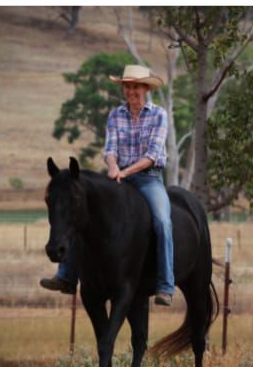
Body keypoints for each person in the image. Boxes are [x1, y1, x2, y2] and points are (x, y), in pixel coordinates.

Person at [41, 63, 174, 305]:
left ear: (145, 88)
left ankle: (165, 285)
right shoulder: (115, 115)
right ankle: (66, 276)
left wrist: (126, 171)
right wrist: (113, 168)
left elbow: (153, 154)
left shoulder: (159, 115)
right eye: (127, 87)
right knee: (81, 213)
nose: (131, 91)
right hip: (117, 177)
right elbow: (110, 149)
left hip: (147, 178)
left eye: (135, 87)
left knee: (163, 221)